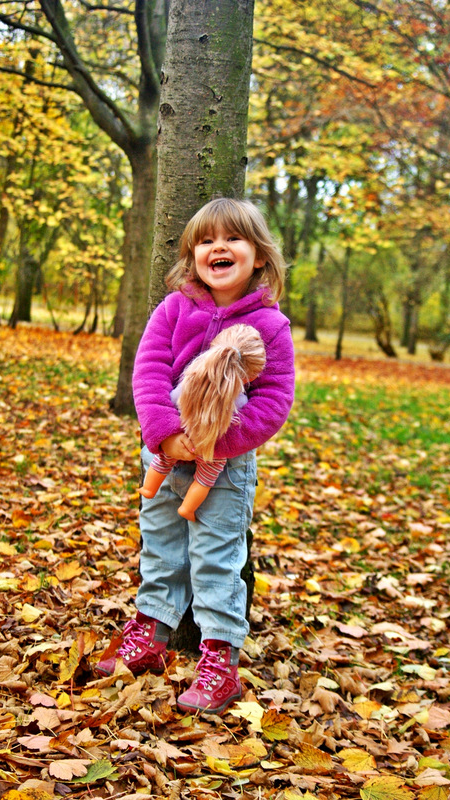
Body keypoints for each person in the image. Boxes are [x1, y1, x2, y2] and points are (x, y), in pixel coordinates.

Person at [97, 197, 295, 715]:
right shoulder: (174, 309)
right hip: (163, 456)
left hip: (224, 466)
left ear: (259, 255)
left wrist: (215, 444)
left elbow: (275, 402)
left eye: (233, 239)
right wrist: (164, 435)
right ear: (192, 255)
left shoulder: (271, 327)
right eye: (206, 240)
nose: (219, 248)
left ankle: (219, 658)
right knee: (160, 545)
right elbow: (149, 372)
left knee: (217, 559)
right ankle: (153, 633)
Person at [138, 324, 266, 522]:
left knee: (163, 460)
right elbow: (240, 421)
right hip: (213, 447)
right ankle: (187, 509)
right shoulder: (239, 399)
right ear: (252, 375)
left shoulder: (190, 380)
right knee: (204, 480)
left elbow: (173, 399)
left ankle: (148, 488)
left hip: (183, 434)